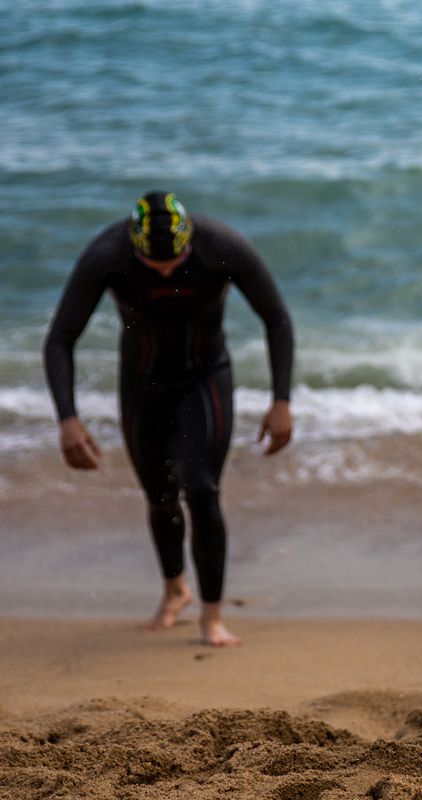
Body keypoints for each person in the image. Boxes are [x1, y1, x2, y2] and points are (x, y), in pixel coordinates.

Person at [43, 191, 294, 646]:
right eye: (153, 265)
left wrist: (281, 400)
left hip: (205, 377)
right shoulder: (107, 255)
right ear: (133, 246)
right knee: (160, 496)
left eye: (174, 261)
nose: (165, 271)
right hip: (142, 385)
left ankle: (211, 617)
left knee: (201, 489)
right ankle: (176, 589)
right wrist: (67, 418)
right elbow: (60, 337)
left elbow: (276, 317)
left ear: (188, 241)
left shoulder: (222, 247)